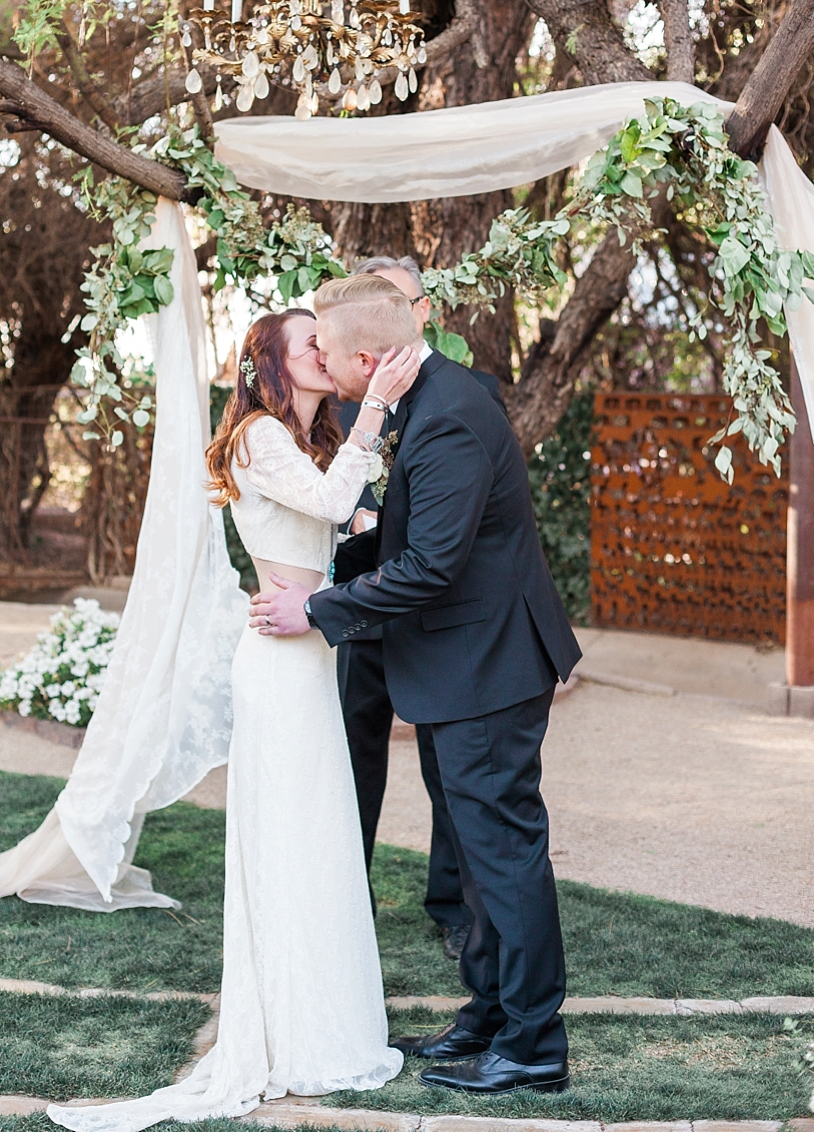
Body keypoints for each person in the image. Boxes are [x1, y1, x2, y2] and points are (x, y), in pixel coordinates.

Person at [48, 308, 418, 1131]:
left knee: (318, 834)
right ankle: (292, 1030)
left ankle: (324, 1019)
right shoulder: (256, 436)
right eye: (308, 346)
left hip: (308, 653)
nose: (324, 353)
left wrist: (332, 582)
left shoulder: (303, 440)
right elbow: (328, 498)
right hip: (280, 669)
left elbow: (338, 518)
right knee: (291, 837)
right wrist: (377, 409)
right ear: (271, 368)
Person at [251, 275, 582, 1099]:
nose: (319, 362)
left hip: (488, 669)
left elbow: (429, 567)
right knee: (474, 858)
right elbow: (406, 536)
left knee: (502, 857)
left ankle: (535, 1042)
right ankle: (490, 1009)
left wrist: (318, 607)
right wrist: (324, 571)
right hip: (458, 668)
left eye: (325, 350)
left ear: (366, 356)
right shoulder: (422, 400)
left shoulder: (450, 416)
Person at [336, 255, 507, 960]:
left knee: (450, 767)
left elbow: (467, 510)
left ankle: (455, 905)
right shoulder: (341, 393)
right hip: (362, 608)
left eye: (399, 299)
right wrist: (350, 525)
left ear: (423, 311)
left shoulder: (470, 394)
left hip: (431, 613)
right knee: (350, 754)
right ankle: (344, 893)